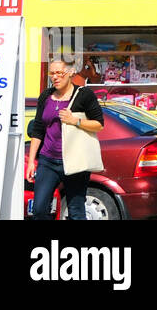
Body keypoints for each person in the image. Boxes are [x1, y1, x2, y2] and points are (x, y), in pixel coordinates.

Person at [27, 59, 105, 220]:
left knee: (76, 211)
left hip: (75, 161)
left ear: (70, 73)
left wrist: (75, 121)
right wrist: (31, 162)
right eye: (52, 73)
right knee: (39, 209)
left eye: (59, 73)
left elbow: (99, 124)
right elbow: (38, 130)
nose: (55, 77)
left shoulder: (84, 95)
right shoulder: (46, 96)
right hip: (47, 160)